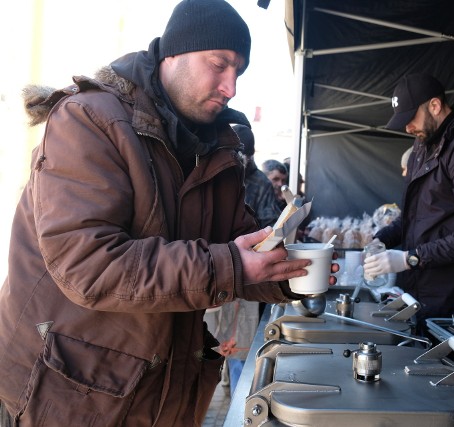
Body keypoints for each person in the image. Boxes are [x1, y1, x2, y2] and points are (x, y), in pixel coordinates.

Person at [0, 1, 337, 426]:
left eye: (239, 71)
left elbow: (244, 246)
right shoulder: (89, 121)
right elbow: (88, 264)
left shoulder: (217, 149)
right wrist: (232, 265)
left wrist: (296, 272)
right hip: (69, 396)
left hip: (164, 394)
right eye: (219, 65)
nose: (230, 86)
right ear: (172, 53)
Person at [363, 72, 454, 335]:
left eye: (410, 118)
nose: (407, 128)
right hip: (424, 293)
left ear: (435, 105)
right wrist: (381, 240)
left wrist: (410, 259)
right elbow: (414, 215)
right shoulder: (423, 145)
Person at [209, 124, 281, 396]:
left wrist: (255, 245)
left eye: (243, 155)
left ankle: (239, 396)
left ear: (250, 155)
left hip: (248, 276)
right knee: (210, 341)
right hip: (213, 269)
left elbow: (271, 227)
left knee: (242, 343)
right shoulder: (215, 173)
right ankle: (218, 382)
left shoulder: (259, 182)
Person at [234, 124, 281, 228]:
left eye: (239, 159)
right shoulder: (216, 176)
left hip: (247, 242)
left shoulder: (261, 183)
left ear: (250, 157)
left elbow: (270, 226)